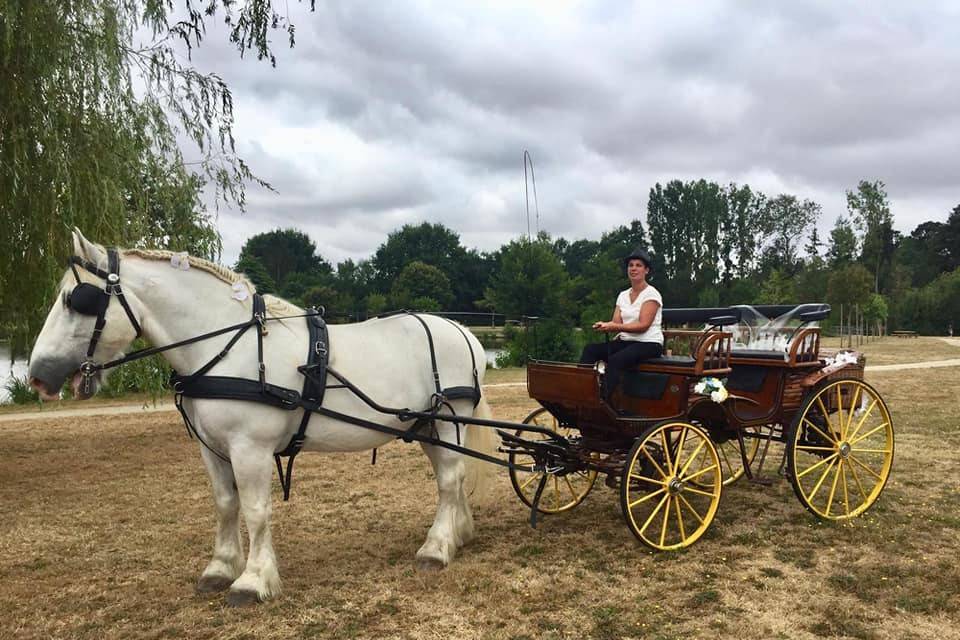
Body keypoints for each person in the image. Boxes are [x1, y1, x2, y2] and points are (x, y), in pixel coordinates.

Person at [579, 247, 664, 400]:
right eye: (631, 265)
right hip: (627, 341)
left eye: (638, 265)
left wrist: (614, 326)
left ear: (647, 270)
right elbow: (616, 322)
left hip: (649, 343)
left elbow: (642, 326)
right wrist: (604, 325)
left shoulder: (652, 294)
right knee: (590, 350)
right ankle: (582, 392)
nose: (633, 268)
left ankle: (603, 400)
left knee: (616, 360)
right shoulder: (623, 295)